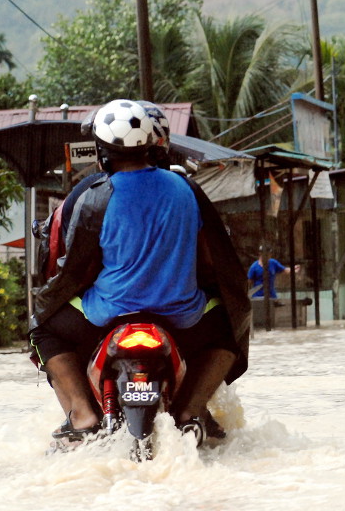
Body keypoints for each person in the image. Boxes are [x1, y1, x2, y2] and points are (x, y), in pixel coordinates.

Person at [29, 99, 250, 447]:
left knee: (41, 329)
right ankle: (192, 411)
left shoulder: (92, 195)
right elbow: (217, 255)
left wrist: (48, 300)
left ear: (102, 152)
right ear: (154, 146)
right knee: (227, 330)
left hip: (107, 312)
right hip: (183, 314)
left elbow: (69, 265)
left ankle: (83, 417)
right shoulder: (187, 190)